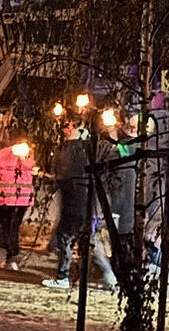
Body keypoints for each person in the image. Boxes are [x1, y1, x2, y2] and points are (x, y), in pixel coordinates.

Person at [43, 121, 115, 292]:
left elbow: (63, 177)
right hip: (86, 202)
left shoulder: (69, 150)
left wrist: (47, 177)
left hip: (74, 201)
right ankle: (109, 276)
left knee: (65, 237)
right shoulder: (88, 149)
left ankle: (62, 277)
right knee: (90, 240)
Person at [0, 138, 36, 271]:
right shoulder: (28, 154)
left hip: (8, 196)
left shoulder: (3, 154)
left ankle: (12, 255)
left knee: (6, 226)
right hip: (23, 197)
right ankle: (13, 254)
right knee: (14, 226)